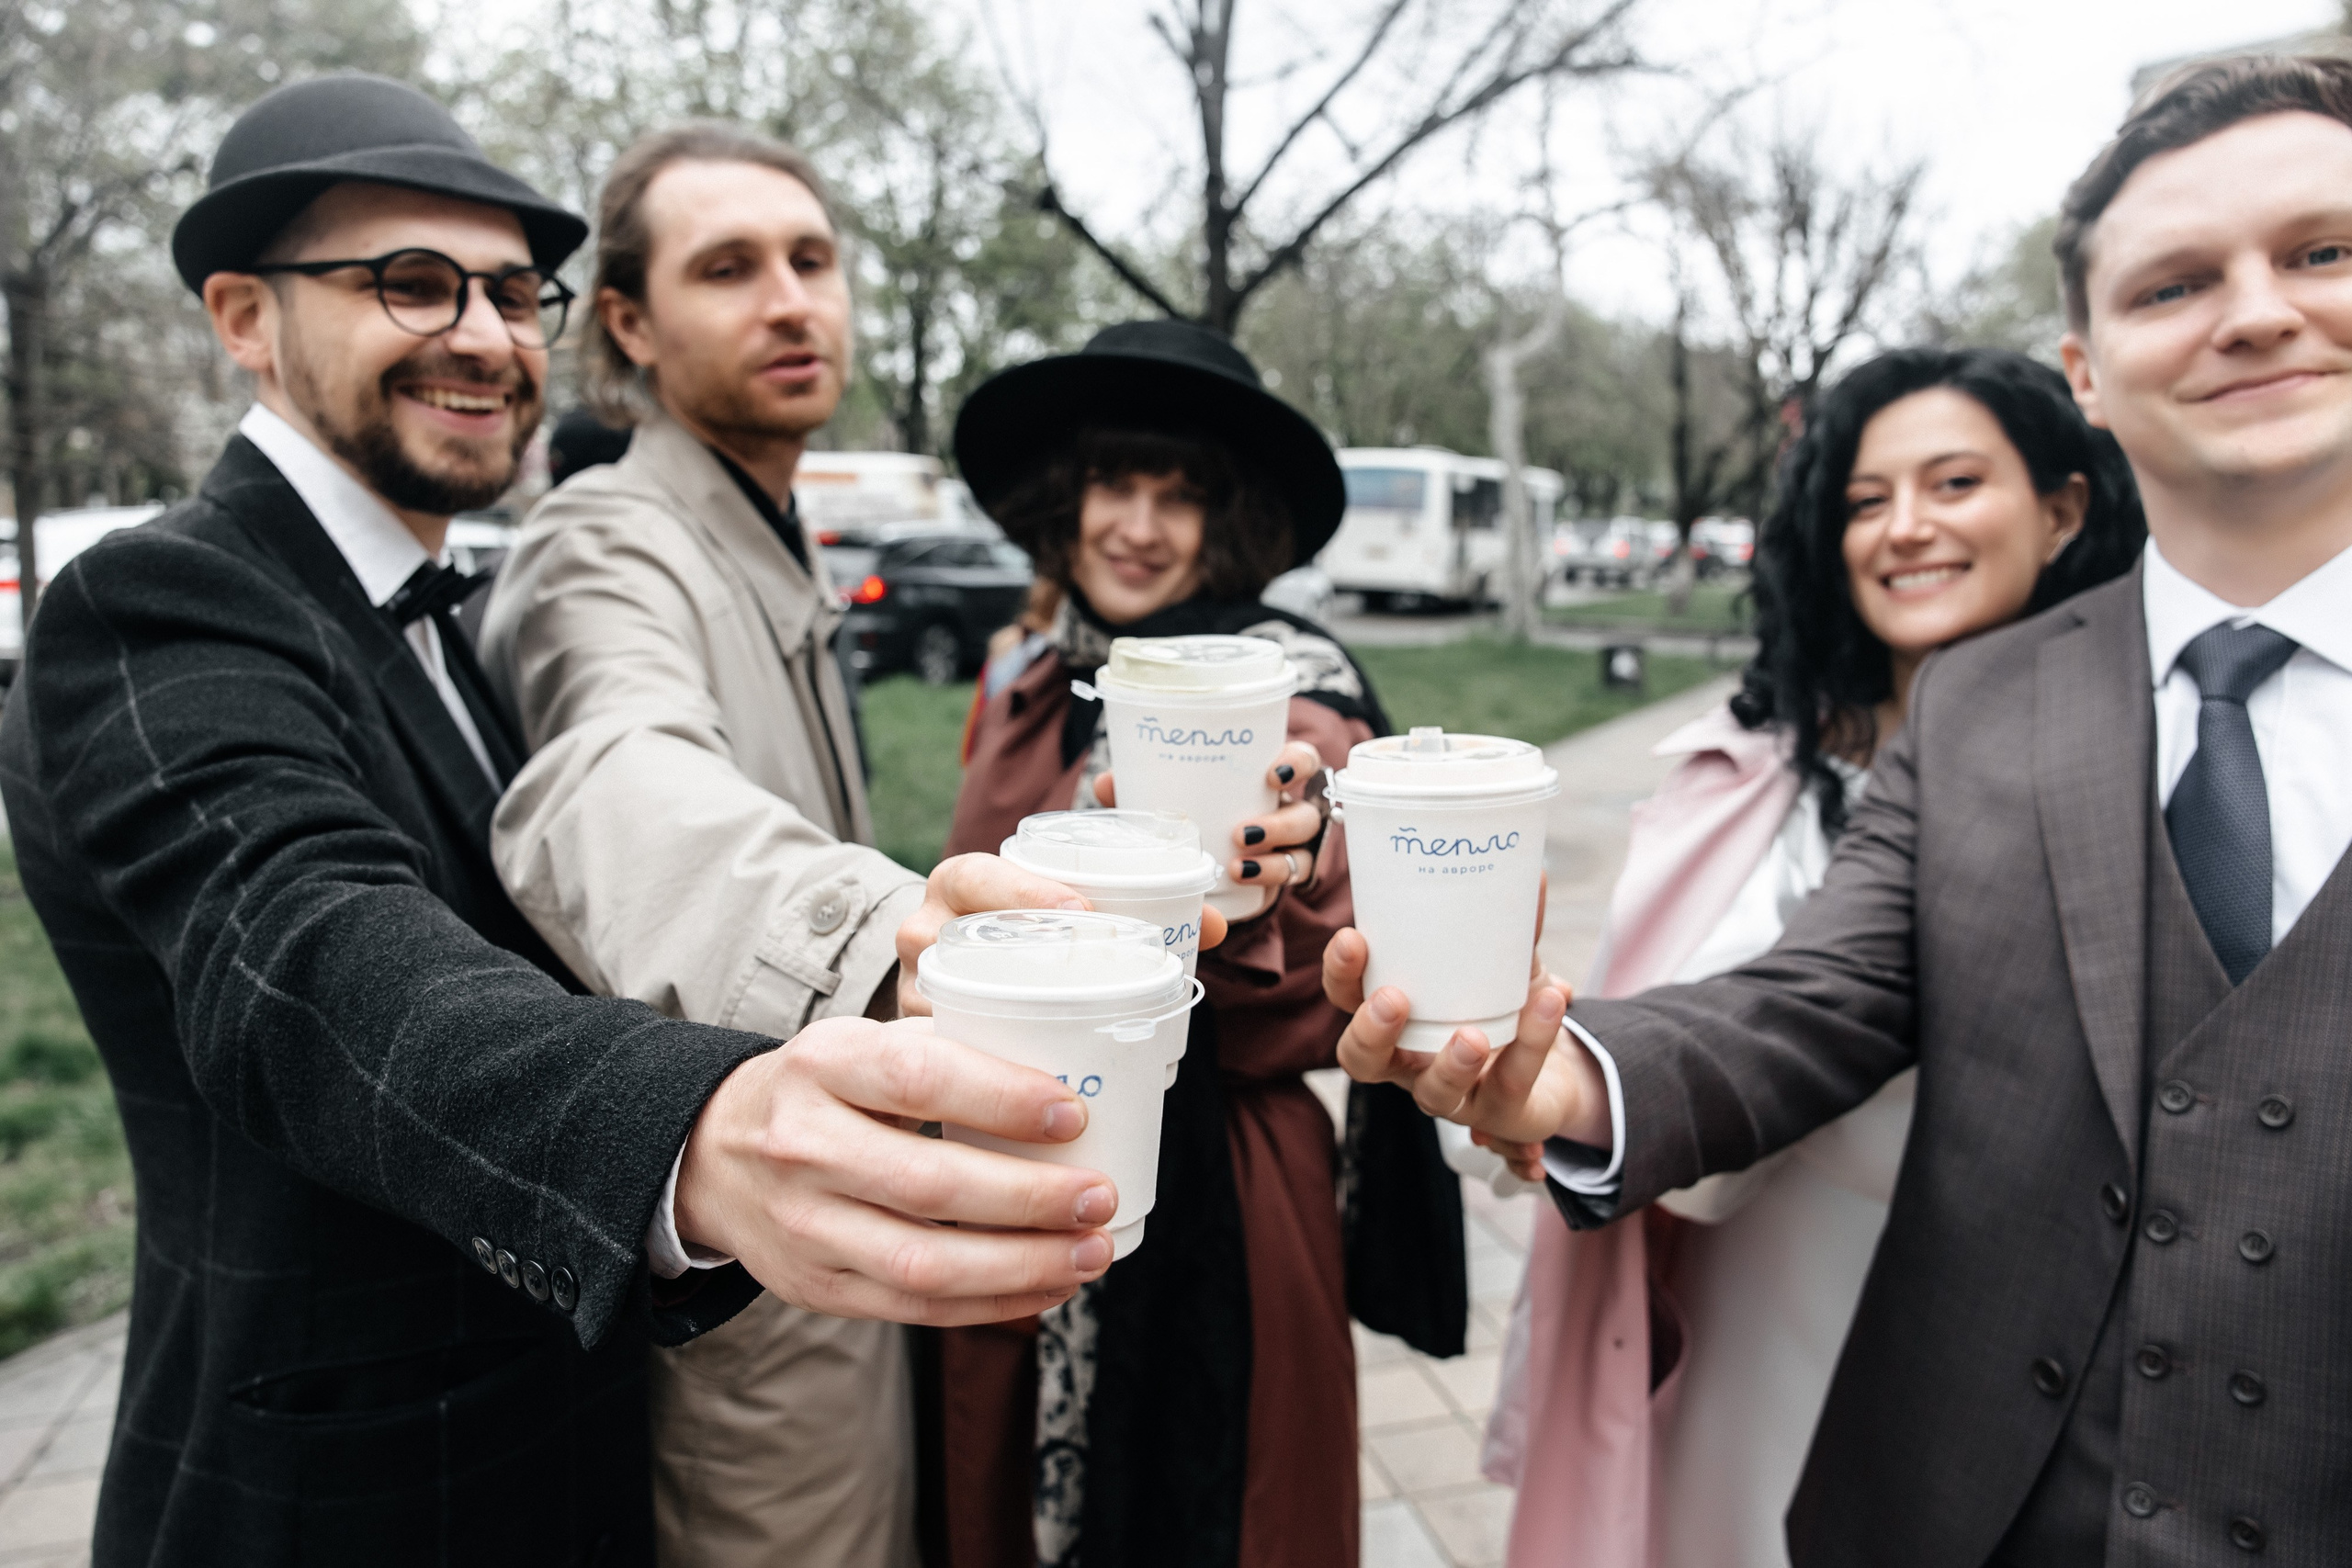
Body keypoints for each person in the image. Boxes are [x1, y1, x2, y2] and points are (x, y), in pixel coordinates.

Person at [0, 75, 1126, 1566]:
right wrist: (693, 1125)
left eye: (513, 291)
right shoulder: (159, 600)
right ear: (241, 318)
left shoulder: (444, 619)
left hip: (565, 1447)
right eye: (408, 283)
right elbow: (314, 959)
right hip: (350, 1498)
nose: (479, 333)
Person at [1333, 53, 2352, 1564]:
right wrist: (1563, 1079)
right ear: (2087, 368)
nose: (2256, 310)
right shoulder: (1988, 703)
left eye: (2322, 252)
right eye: (2175, 283)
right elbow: (1813, 996)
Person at [481, 123, 1087, 1567]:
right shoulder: (607, 545)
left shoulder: (770, 531)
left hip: (851, 1255)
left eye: (811, 260)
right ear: (627, 322)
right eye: (729, 268)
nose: (790, 300)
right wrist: (880, 942)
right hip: (752, 1315)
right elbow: (608, 774)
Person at [1481, 347, 2144, 1568]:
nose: (1906, 529)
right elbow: (1693, 1025)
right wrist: (1549, 1084)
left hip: (2016, 1329)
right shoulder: (1750, 781)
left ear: (2062, 509)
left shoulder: (2152, 779)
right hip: (1749, 1288)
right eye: (1864, 499)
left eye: (1953, 484)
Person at [937, 320, 1464, 1568]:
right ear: (1067, 501)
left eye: (1180, 497)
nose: (1140, 525)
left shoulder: (1285, 692)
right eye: (1117, 483)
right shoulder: (1025, 679)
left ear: (1224, 526)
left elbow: (1313, 828)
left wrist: (1271, 856)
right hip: (1001, 1167)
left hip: (1218, 1183)